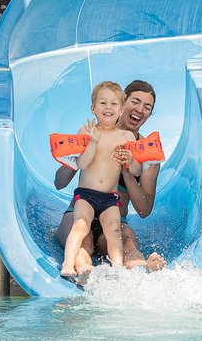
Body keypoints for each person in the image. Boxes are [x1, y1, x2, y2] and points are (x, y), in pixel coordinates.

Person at [54, 80, 166, 274]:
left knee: (127, 241)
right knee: (83, 238)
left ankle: (142, 268)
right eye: (135, 101)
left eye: (147, 107)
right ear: (123, 103)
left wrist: (126, 172)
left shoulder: (145, 153)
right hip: (79, 212)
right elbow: (59, 183)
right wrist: (75, 160)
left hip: (114, 218)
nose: (140, 109)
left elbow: (144, 209)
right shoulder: (91, 133)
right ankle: (83, 270)